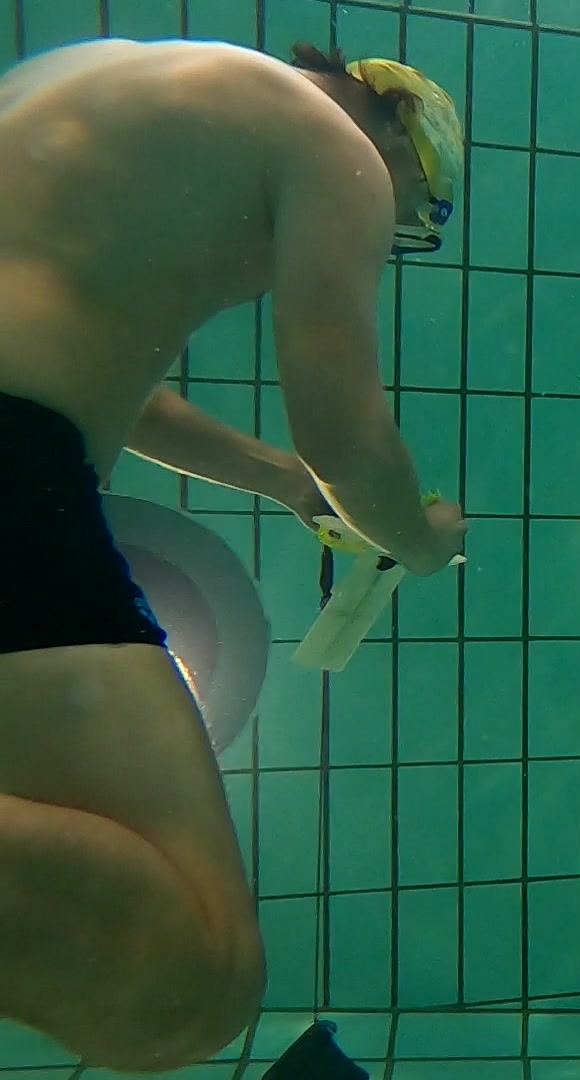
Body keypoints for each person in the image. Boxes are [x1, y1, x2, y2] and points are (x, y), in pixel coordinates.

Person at [0, 38, 468, 1072]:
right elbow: (347, 438)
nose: (390, 225)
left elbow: (119, 390)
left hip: (20, 447)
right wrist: (420, 540)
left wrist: (288, 485)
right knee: (192, 974)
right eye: (412, 213)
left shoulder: (102, 83)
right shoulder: (336, 145)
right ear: (403, 138)